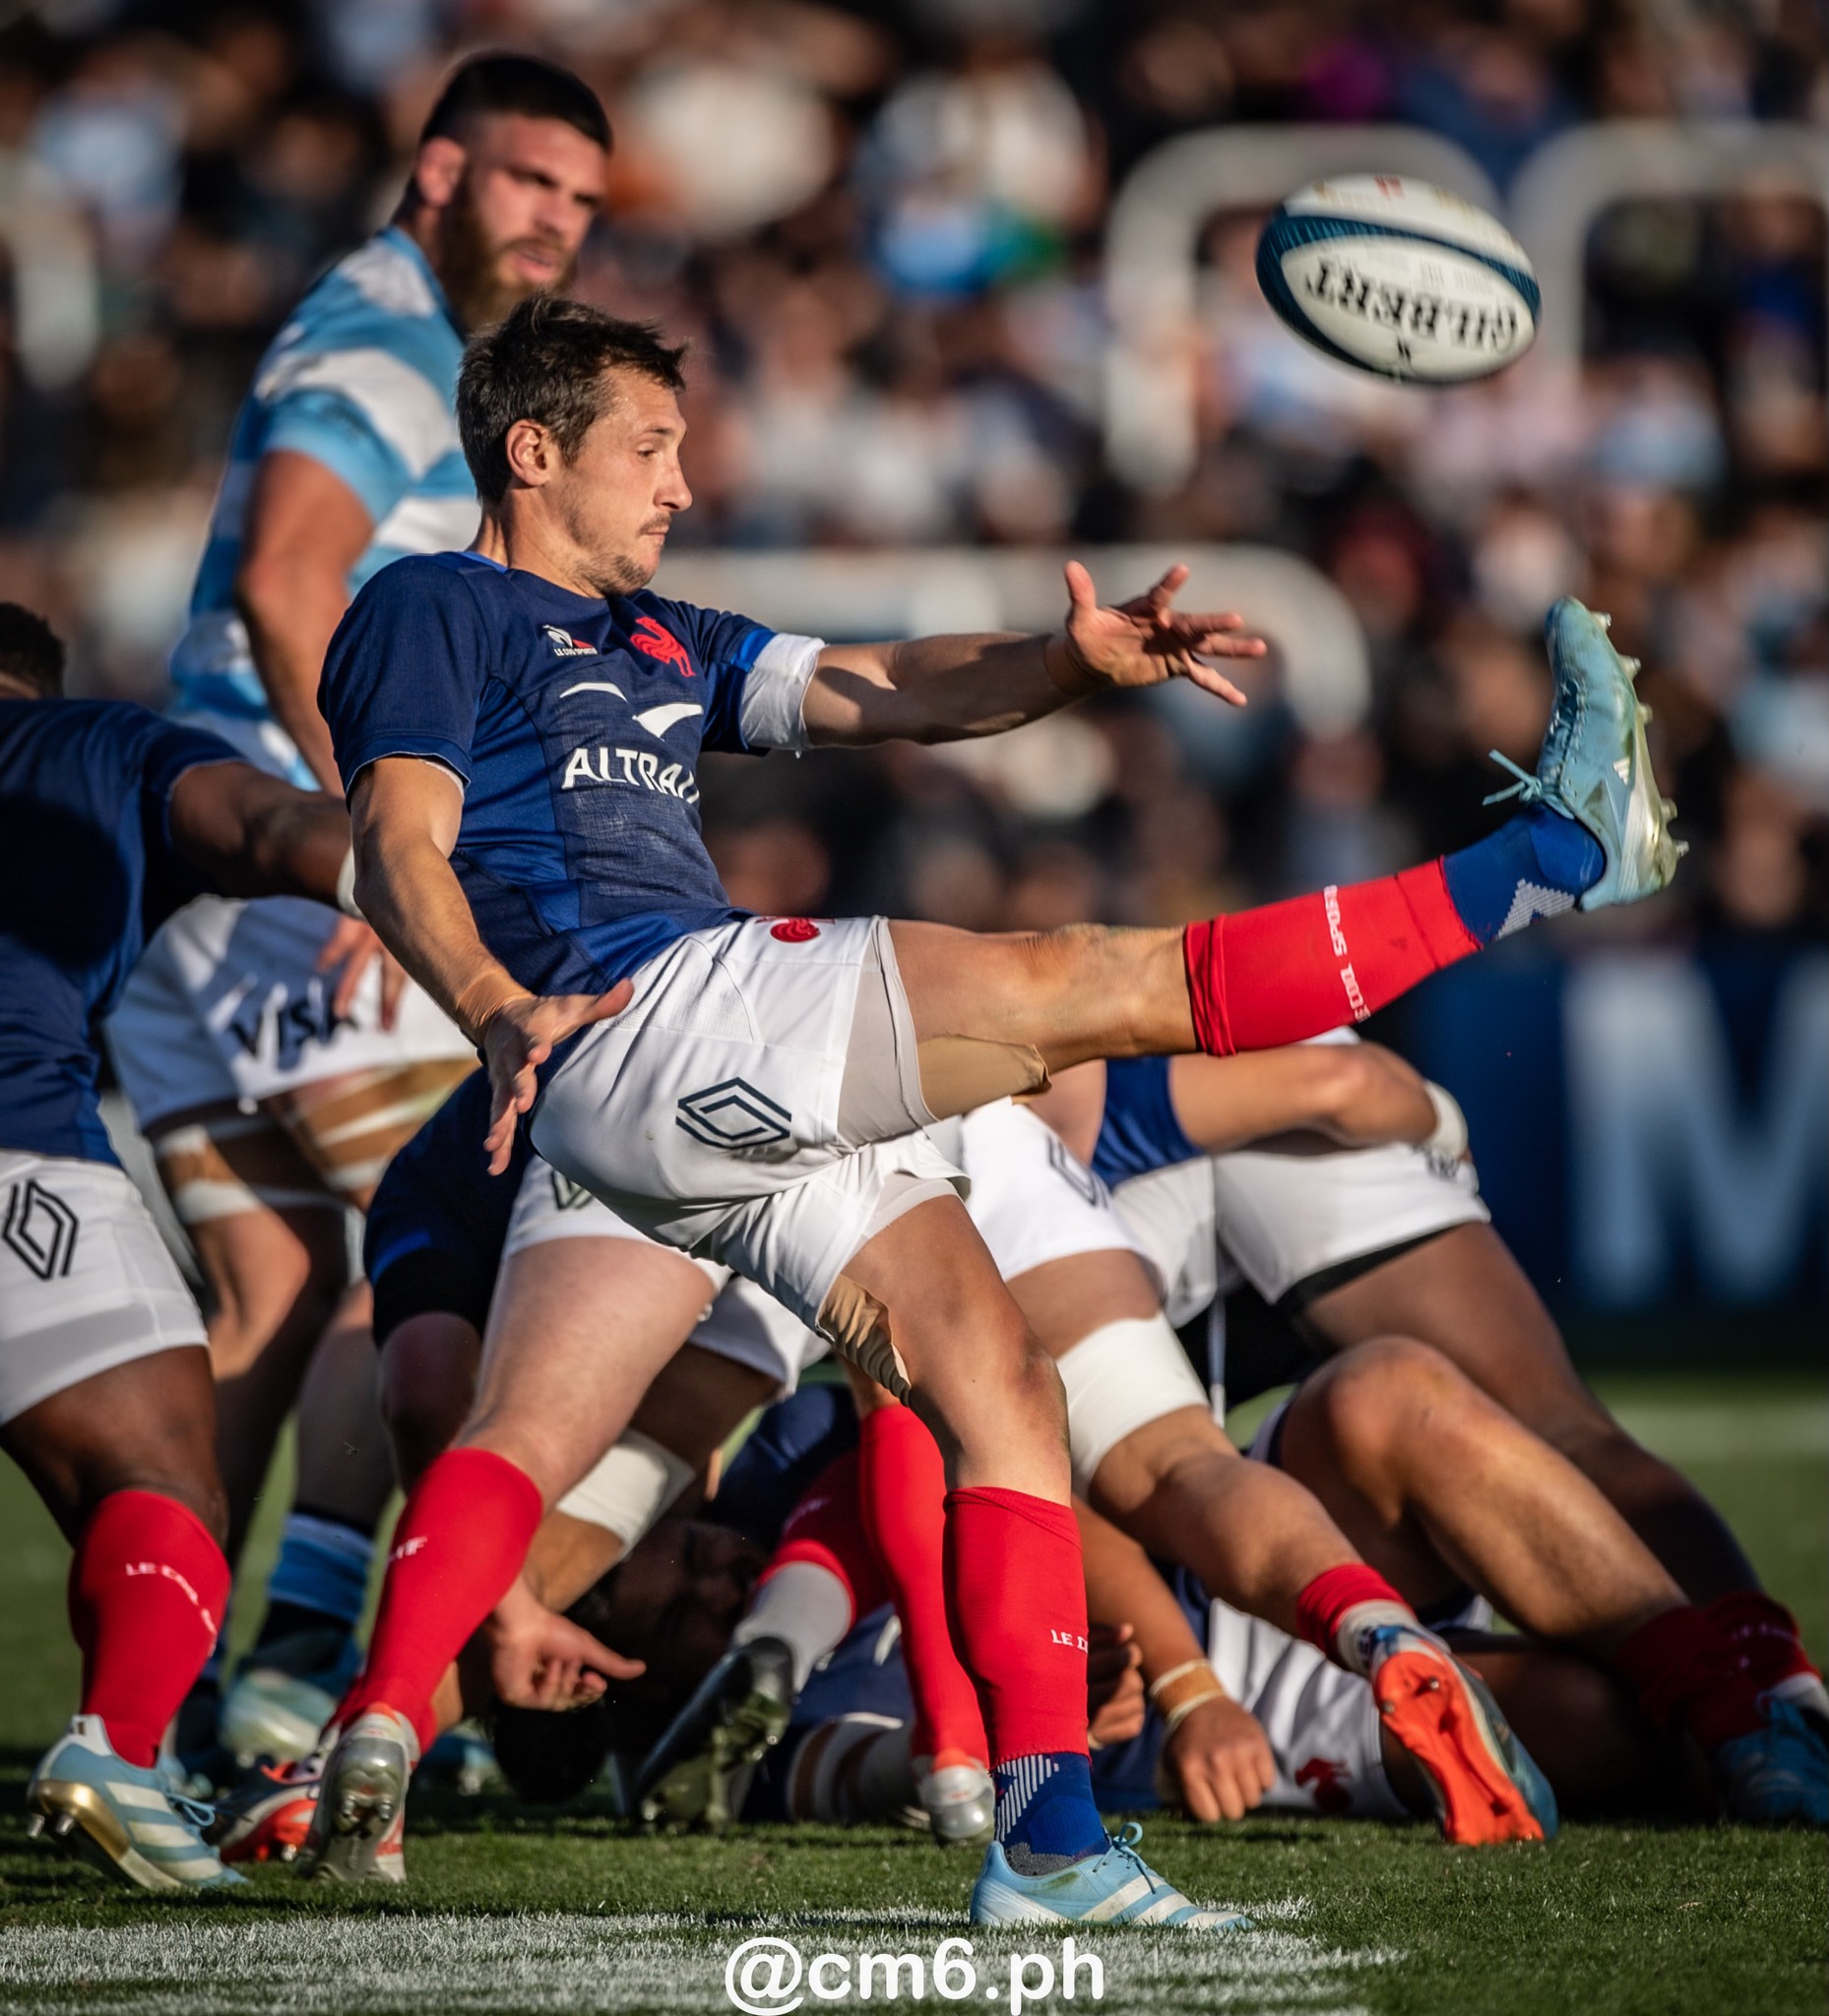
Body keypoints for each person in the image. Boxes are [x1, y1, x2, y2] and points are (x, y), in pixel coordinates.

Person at [309, 292, 1682, 1923]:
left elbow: (888, 681)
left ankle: (1040, 1839)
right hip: (644, 1011)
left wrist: (1062, 664)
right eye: (649, 448)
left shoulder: (663, 638)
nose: (680, 480)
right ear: (532, 452)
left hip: (675, 1099)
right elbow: (396, 839)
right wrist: (487, 1004)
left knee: (998, 1395)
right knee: (1078, 980)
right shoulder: (432, 605)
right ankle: (1553, 859)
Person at [101, 53, 614, 1774]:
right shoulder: (385, 338)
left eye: (585, 204)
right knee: (429, 1271)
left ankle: (152, 1712)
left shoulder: (387, 324)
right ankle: (318, 1657)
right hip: (283, 870)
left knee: (265, 1298)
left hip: (202, 882)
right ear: (444, 165)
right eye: (534, 181)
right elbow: (282, 574)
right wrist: (370, 835)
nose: (558, 225)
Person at [0, 604, 360, 1890]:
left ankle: (152, 1756)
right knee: (158, 1487)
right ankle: (122, 1745)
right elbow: (261, 826)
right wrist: (400, 867)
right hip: (15, 1145)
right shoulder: (92, 744)